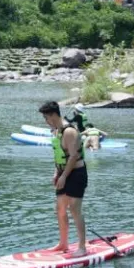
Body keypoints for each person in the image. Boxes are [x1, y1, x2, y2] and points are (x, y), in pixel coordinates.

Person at [40, 101, 88, 258]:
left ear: (54, 115)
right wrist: (57, 173)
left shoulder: (69, 132)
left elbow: (73, 156)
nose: (46, 121)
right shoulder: (56, 131)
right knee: (60, 209)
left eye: (46, 118)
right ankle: (63, 243)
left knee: (74, 209)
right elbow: (59, 155)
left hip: (76, 173)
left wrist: (64, 176)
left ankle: (82, 247)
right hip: (63, 173)